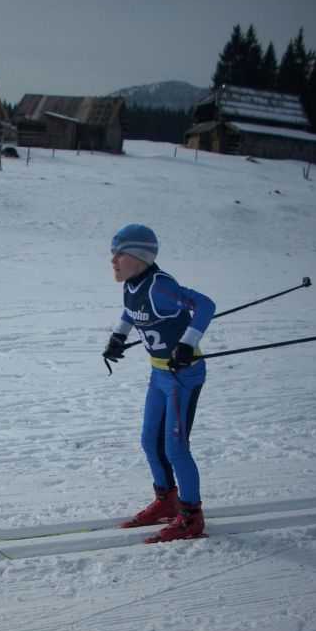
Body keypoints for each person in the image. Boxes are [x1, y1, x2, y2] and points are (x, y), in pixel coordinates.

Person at [103, 224, 216, 542]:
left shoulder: (160, 286)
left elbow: (205, 305)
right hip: (159, 374)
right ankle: (168, 500)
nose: (113, 260)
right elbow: (131, 311)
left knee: (175, 448)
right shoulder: (131, 284)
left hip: (184, 376)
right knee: (150, 440)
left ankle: (191, 517)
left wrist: (186, 343)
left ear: (139, 255)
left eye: (119, 253)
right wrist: (117, 338)